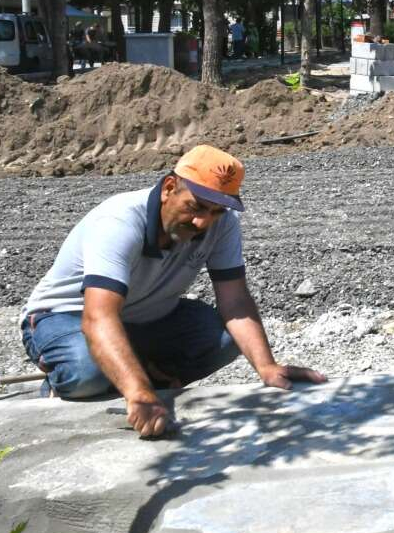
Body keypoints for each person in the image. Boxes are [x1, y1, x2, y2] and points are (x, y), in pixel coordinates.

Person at [19, 145, 326, 437]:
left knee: (226, 339)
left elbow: (235, 300)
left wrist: (267, 367)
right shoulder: (119, 221)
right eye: (196, 206)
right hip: (67, 317)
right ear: (168, 188)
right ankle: (84, 381)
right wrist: (139, 394)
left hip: (145, 318)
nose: (202, 222)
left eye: (216, 211)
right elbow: (98, 318)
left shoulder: (222, 224)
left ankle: (138, 372)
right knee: (88, 373)